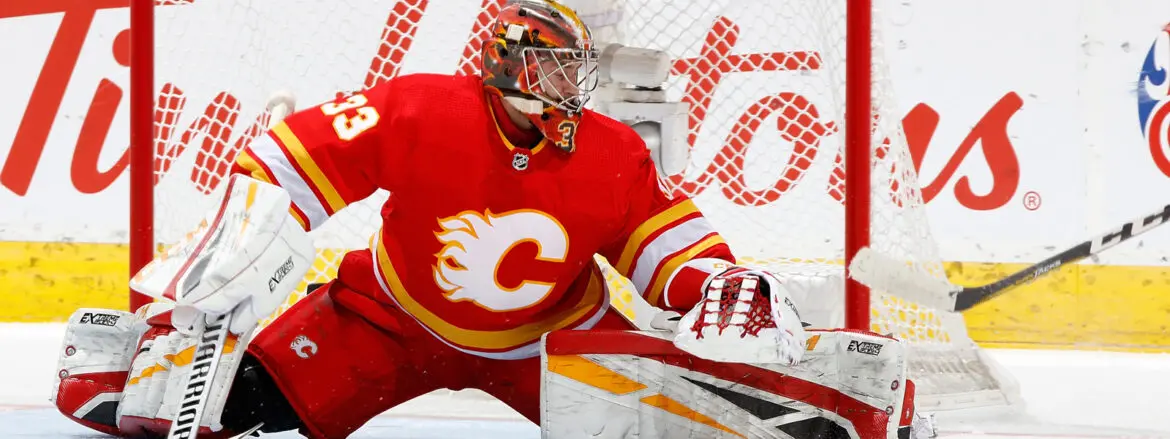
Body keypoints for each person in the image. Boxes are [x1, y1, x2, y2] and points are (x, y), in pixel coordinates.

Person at [49, 1, 904, 437]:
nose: (575, 88)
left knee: (672, 422)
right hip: (386, 319)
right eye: (556, 69)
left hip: (552, 344)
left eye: (578, 71)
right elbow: (288, 158)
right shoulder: (422, 112)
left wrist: (717, 282)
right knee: (239, 401)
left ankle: (837, 408)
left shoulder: (611, 150)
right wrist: (232, 255)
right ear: (506, 67)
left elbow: (666, 244)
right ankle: (134, 374)